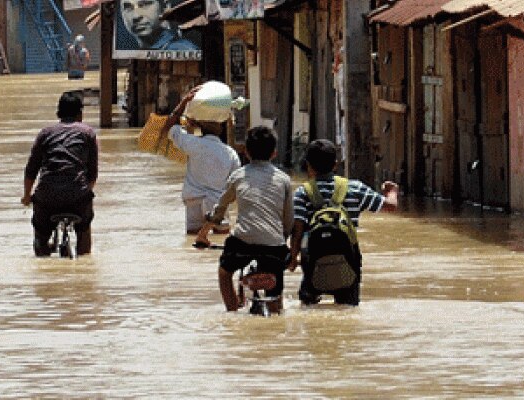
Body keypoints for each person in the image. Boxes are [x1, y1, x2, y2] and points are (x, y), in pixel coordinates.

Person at [195, 126, 294, 314]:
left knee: (224, 272)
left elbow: (219, 210)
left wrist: (203, 234)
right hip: (274, 245)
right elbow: (288, 220)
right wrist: (282, 241)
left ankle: (231, 311)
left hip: (242, 243)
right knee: (275, 293)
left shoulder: (238, 176)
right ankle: (275, 310)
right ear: (274, 153)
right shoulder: (284, 180)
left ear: (246, 152)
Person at [289, 139, 399, 305]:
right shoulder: (354, 188)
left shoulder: (302, 193)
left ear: (308, 166)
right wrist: (392, 191)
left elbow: (297, 229)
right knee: (348, 309)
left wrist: (292, 258)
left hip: (313, 264)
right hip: (348, 264)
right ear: (335, 164)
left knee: (308, 306)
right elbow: (390, 206)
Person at [21, 91, 98, 257]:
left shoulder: (45, 134)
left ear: (59, 113)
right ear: (80, 113)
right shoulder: (88, 133)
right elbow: (92, 174)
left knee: (40, 235)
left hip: (47, 196)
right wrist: (84, 193)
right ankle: (84, 259)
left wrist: (27, 196)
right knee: (84, 229)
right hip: (78, 196)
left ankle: (42, 253)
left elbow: (31, 170)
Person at [161, 84, 241, 235]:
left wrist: (183, 103)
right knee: (220, 240)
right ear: (221, 127)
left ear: (199, 127)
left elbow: (168, 128)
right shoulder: (230, 154)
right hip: (218, 203)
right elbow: (235, 187)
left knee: (193, 242)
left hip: (194, 201)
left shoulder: (193, 144)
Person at [119, 0, 199, 50]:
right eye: (128, 8)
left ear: (165, 7)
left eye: (145, 4)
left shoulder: (181, 48)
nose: (136, 16)